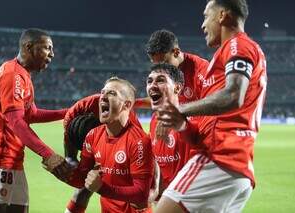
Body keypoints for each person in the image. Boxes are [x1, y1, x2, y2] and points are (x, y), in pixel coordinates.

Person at [154, 0, 267, 212]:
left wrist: (182, 109)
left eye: (206, 16)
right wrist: (182, 124)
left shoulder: (238, 45)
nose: (203, 25)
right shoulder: (222, 58)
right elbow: (213, 117)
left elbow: (234, 95)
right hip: (236, 169)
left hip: (218, 159)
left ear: (223, 15)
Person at [0, 28, 71, 213]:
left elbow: (31, 115)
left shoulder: (23, 75)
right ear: (29, 46)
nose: (52, 54)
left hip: (14, 161)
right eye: (47, 48)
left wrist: (69, 112)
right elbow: (16, 122)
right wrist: (48, 154)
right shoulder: (12, 74)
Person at [51, 77, 154, 213]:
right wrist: (62, 172)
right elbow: (83, 179)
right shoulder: (93, 136)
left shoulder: (139, 142)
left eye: (111, 93)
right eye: (102, 92)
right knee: (81, 193)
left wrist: (101, 188)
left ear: (127, 105)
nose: (102, 96)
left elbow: (141, 194)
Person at [62, 94, 143, 213]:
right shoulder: (72, 119)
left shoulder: (125, 118)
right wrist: (72, 171)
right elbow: (70, 157)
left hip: (122, 146)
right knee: (83, 189)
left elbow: (138, 151)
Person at [146, 63, 200, 202]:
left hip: (190, 201)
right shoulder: (154, 120)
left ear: (177, 87)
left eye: (160, 80)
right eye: (149, 81)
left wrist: (178, 119)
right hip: (167, 199)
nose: (152, 85)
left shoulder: (194, 119)